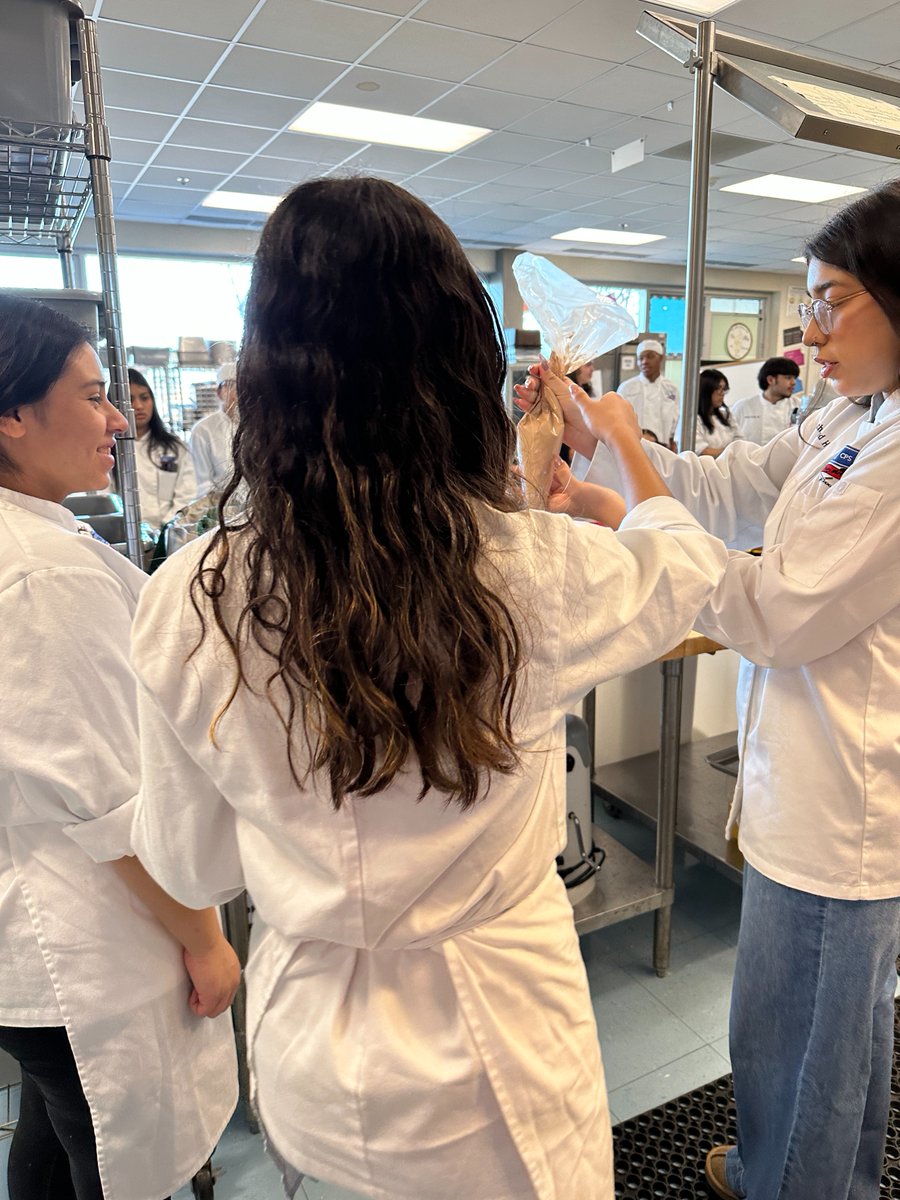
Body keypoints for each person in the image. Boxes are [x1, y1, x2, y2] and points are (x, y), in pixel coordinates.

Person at [128, 176, 730, 1200]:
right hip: (499, 1063)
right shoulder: (530, 570)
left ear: (264, 374)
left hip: (313, 1049)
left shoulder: (193, 594)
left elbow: (189, 861)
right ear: (459, 367)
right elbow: (688, 571)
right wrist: (617, 458)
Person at [531, 179, 900, 1200]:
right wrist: (617, 473)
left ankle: (802, 1185)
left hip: (846, 801)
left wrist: (634, 493)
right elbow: (736, 488)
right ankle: (796, 1170)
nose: (808, 327)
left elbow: (774, 612)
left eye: (832, 300)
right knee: (828, 1021)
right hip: (811, 774)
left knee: (808, 1028)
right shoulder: (853, 414)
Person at [0, 293, 240, 1200]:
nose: (117, 419)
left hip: (35, 942)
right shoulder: (38, 574)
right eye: (95, 396)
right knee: (104, 1156)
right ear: (13, 417)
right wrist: (204, 938)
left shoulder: (34, 540)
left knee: (55, 1142)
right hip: (79, 940)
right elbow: (107, 802)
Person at [126, 367, 196, 528]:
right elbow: (109, 497)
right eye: (129, 400)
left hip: (170, 530)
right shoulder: (110, 450)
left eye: (144, 398)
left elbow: (186, 493)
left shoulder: (171, 448)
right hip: (127, 533)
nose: (138, 406)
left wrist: (166, 527)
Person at [617, 337, 679, 449]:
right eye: (641, 358)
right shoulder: (626, 388)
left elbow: (678, 420)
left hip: (663, 448)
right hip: (634, 446)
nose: (645, 361)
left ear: (661, 358)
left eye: (650, 356)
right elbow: (618, 419)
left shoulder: (671, 389)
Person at [190, 361, 237, 497]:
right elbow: (202, 483)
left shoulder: (256, 427)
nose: (238, 392)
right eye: (231, 386)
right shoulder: (203, 430)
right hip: (221, 509)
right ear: (219, 393)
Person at [729, 355, 800, 445]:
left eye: (794, 378)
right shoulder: (743, 407)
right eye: (788, 377)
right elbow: (730, 439)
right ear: (770, 380)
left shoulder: (799, 406)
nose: (793, 382)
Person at [674, 368, 740, 458]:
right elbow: (700, 450)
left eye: (724, 389)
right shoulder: (691, 418)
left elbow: (739, 440)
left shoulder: (726, 415)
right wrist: (730, 452)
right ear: (706, 390)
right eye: (718, 389)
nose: (722, 393)